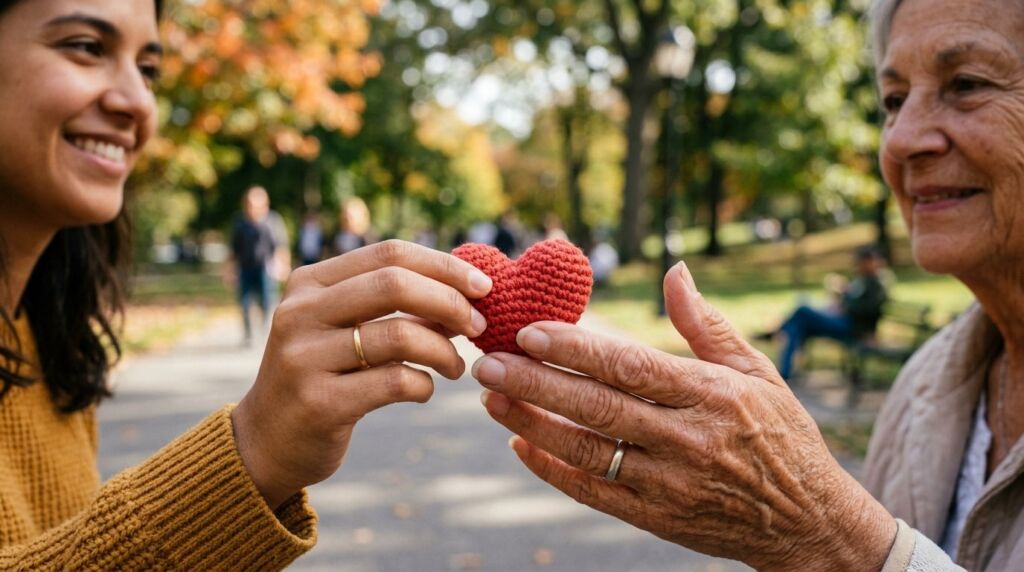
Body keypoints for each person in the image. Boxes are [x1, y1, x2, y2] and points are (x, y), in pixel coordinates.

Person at [471, 0, 1023, 569]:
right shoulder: (928, 386)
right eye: (893, 100)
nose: (901, 138)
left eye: (967, 83)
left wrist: (839, 541)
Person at [0, 1, 492, 568]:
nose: (137, 101)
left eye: (148, 69)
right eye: (87, 47)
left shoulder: (50, 330)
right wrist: (253, 451)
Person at [759, 244, 889, 380]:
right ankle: (784, 372)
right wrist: (845, 294)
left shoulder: (877, 283)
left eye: (862, 261)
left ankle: (776, 335)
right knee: (798, 326)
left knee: (802, 310)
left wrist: (847, 299)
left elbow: (871, 309)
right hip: (843, 321)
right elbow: (851, 301)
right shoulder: (863, 280)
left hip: (852, 328)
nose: (858, 265)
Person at [229, 186, 289, 344]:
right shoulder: (240, 223)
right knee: (245, 302)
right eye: (249, 205)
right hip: (245, 267)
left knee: (267, 300)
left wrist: (283, 266)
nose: (252, 210)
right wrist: (229, 269)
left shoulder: (272, 221)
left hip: (265, 268)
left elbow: (281, 245)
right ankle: (248, 333)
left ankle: (265, 331)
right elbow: (234, 249)